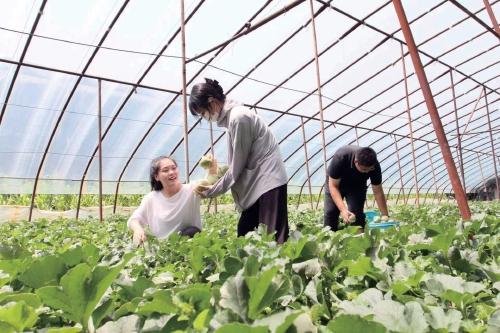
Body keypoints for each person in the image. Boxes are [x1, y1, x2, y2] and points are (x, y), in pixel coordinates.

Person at [189, 78, 289, 243]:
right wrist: (217, 173)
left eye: (202, 112)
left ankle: (281, 268)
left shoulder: (238, 117)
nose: (205, 117)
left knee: (274, 240)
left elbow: (236, 167)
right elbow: (239, 160)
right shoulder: (233, 119)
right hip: (259, 184)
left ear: (212, 102)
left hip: (269, 183)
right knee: (245, 234)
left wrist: (211, 191)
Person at [128, 156, 214, 246]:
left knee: (192, 231)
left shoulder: (192, 189)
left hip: (190, 247)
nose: (172, 172)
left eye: (174, 168)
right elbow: (133, 220)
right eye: (165, 170)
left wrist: (213, 170)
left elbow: (214, 187)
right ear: (156, 177)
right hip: (164, 251)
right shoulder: (151, 199)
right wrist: (138, 229)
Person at [324, 145, 389, 231]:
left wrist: (385, 215)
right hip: (336, 184)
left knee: (357, 214)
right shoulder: (341, 157)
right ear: (356, 162)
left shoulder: (374, 166)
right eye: (364, 170)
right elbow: (333, 186)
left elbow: (378, 192)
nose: (367, 171)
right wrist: (343, 210)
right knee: (331, 212)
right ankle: (330, 237)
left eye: (370, 169)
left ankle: (359, 239)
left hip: (357, 186)